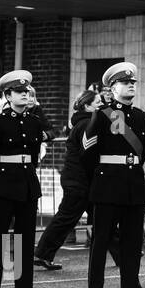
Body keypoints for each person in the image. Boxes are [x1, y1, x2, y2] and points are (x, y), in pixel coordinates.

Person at [80, 62, 145, 288]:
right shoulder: (102, 115)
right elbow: (87, 150)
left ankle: (131, 287)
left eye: (133, 83)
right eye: (125, 83)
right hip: (107, 184)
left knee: (133, 240)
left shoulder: (143, 117)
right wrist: (101, 174)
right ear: (112, 88)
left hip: (133, 183)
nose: (131, 86)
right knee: (101, 239)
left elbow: (143, 152)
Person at [0, 70, 53, 288]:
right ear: (7, 95)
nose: (24, 95)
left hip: (27, 184)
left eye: (26, 91)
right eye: (19, 92)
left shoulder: (33, 121)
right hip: (3, 184)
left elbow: (32, 156)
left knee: (24, 241)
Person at [34, 89, 120, 271]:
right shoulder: (86, 124)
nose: (101, 105)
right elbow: (87, 154)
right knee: (69, 218)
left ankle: (122, 254)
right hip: (80, 181)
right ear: (87, 106)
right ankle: (41, 253)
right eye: (98, 102)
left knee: (101, 218)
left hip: (81, 179)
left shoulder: (82, 123)